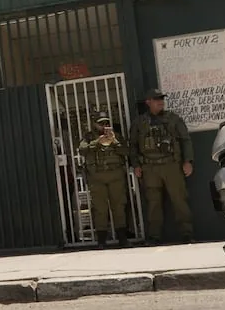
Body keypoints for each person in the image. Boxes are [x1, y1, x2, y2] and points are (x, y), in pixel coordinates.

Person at [129, 88, 194, 245]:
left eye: (162, 99)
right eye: (156, 99)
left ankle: (187, 234)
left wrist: (188, 161)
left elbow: (185, 140)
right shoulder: (139, 122)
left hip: (171, 165)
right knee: (153, 203)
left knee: (179, 200)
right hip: (150, 168)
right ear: (148, 102)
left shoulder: (173, 119)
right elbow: (133, 145)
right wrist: (136, 165)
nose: (160, 102)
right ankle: (154, 236)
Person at [77, 112, 130, 249]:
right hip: (97, 179)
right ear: (94, 124)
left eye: (106, 123)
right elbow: (82, 150)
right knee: (100, 209)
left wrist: (114, 141)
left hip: (116, 178)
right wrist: (97, 142)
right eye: (101, 123)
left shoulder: (116, 135)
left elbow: (126, 152)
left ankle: (122, 238)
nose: (104, 126)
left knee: (119, 207)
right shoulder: (88, 137)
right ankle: (101, 240)